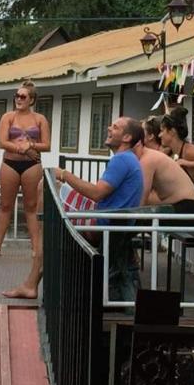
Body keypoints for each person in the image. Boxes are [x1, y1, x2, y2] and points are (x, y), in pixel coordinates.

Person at [50, 117, 146, 301]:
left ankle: (40, 254)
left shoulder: (121, 160)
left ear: (127, 137)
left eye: (115, 127)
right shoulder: (129, 159)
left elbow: (96, 193)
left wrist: (64, 174)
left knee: (45, 189)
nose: (109, 128)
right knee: (53, 190)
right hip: (116, 220)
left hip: (105, 223)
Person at [0, 80, 50, 258]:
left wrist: (31, 145)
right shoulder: (8, 117)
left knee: (31, 206)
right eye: (17, 96)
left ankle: (36, 248)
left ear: (31, 100)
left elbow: (47, 145)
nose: (19, 99)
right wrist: (21, 149)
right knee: (6, 205)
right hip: (10, 163)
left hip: (32, 165)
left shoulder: (40, 119)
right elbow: (2, 141)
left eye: (23, 96)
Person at [134, 135, 194, 214]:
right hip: (185, 204)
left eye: (163, 130)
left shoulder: (147, 159)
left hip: (187, 206)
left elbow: (141, 200)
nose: (160, 135)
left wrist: (189, 163)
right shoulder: (152, 156)